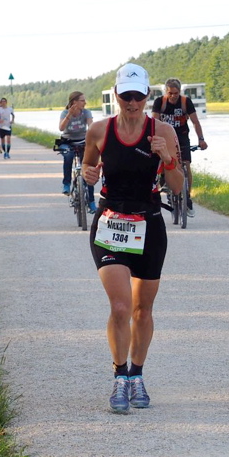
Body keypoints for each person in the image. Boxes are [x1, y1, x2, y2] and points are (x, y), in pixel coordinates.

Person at [82, 63, 184, 414]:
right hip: (110, 223)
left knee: (142, 309)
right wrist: (88, 173)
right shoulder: (99, 130)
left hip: (150, 224)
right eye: (125, 95)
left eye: (138, 96)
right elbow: (87, 168)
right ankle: (119, 377)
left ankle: (137, 375)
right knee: (121, 306)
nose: (131, 102)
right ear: (116, 95)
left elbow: (178, 187)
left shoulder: (163, 131)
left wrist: (167, 158)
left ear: (147, 97)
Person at [151, 78, 207, 216]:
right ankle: (166, 185)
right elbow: (154, 123)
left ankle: (187, 198)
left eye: (176, 93)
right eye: (170, 93)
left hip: (182, 136)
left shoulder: (185, 102)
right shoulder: (160, 102)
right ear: (166, 92)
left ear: (179, 91)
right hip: (165, 137)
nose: (173, 96)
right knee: (165, 161)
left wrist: (201, 139)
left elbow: (195, 122)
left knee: (186, 165)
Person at [58, 91, 96, 212]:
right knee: (68, 156)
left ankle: (91, 201)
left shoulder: (86, 112)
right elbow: (61, 128)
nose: (85, 103)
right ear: (74, 102)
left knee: (88, 168)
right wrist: (69, 115)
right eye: (82, 100)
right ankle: (67, 184)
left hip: (83, 141)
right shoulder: (65, 113)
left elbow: (92, 127)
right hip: (67, 141)